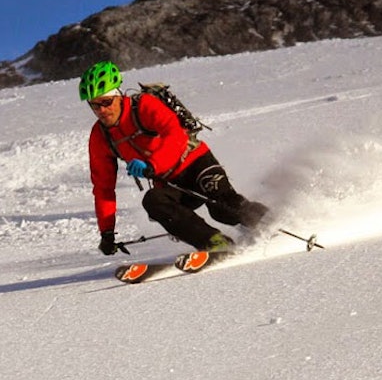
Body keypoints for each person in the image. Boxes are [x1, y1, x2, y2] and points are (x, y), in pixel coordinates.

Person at [80, 60, 269, 258]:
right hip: (168, 180)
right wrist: (107, 232)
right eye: (94, 105)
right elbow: (103, 188)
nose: (101, 110)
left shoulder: (143, 106)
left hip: (196, 162)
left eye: (106, 102)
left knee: (223, 209)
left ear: (118, 96)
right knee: (154, 202)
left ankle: (270, 221)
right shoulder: (100, 137)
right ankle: (214, 242)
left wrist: (152, 164)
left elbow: (175, 135)